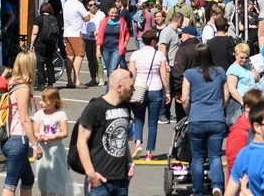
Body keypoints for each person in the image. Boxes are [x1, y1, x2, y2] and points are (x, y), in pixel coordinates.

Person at [76, 69, 136, 196]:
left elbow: (124, 139)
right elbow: (81, 142)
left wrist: (130, 163)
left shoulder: (125, 106)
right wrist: (90, 172)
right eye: (131, 86)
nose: (134, 89)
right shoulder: (95, 107)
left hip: (122, 180)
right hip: (100, 181)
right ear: (119, 87)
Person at [182, 45, 229, 194]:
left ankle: (197, 191)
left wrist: (189, 114)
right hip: (217, 118)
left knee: (198, 158)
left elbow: (185, 99)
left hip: (197, 118)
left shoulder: (189, 74)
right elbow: (226, 95)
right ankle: (217, 186)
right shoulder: (220, 72)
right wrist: (220, 108)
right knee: (215, 156)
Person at [3, 51, 43, 196]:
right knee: (11, 183)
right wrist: (36, 145)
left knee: (28, 179)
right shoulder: (23, 89)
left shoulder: (11, 83)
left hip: (8, 139)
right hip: (18, 140)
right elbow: (25, 120)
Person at [128, 29, 170, 160]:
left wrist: (131, 89)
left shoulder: (135, 55)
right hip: (155, 89)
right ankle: (149, 152)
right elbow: (164, 76)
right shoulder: (160, 56)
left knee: (139, 119)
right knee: (153, 122)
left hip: (139, 89)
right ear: (153, 41)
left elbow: (132, 74)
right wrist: (168, 92)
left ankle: (138, 143)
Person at [34, 87, 71, 196]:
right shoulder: (39, 115)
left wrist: (50, 138)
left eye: (44, 101)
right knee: (43, 179)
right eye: (40, 100)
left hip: (56, 150)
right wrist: (39, 135)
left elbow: (64, 133)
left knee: (55, 178)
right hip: (43, 150)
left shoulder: (60, 115)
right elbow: (35, 131)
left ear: (54, 101)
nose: (41, 103)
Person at [225, 87, 264, 172]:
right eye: (259, 108)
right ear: (247, 107)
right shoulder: (239, 132)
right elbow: (234, 164)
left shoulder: (256, 128)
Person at [171, 25, 202, 122]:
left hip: (185, 90)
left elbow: (178, 73)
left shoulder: (182, 50)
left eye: (182, 35)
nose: (180, 37)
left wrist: (178, 92)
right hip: (201, 89)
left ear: (188, 35)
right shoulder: (202, 49)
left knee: (183, 121)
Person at [63, 0, 91, 89]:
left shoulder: (66, 3)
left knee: (70, 56)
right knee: (79, 55)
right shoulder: (77, 4)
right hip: (76, 32)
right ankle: (77, 81)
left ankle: (70, 81)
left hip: (67, 32)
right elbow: (87, 17)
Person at [30, 2, 62, 89]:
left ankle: (41, 82)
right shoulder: (54, 19)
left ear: (41, 9)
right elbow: (57, 33)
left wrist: (32, 44)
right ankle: (51, 83)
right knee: (49, 62)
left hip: (41, 43)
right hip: (51, 44)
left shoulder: (38, 19)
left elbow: (35, 32)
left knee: (40, 63)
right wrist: (56, 45)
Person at [226, 43, 260, 122]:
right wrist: (242, 102)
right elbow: (232, 89)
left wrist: (252, 67)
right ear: (236, 55)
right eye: (242, 57)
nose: (244, 60)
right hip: (239, 103)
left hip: (251, 101)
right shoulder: (233, 69)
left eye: (246, 57)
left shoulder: (247, 66)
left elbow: (257, 79)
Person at [96, 5, 130, 82]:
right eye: (112, 13)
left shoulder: (122, 22)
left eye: (115, 13)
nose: (114, 14)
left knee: (112, 69)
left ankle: (110, 90)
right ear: (108, 12)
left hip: (117, 48)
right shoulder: (104, 21)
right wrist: (98, 49)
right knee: (108, 69)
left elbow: (127, 34)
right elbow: (100, 36)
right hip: (106, 49)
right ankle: (113, 86)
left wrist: (125, 43)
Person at [84, 0, 101, 87]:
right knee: (90, 60)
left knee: (97, 59)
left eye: (94, 4)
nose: (93, 6)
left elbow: (103, 26)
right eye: (91, 5)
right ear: (88, 6)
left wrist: (95, 32)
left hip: (97, 39)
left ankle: (101, 78)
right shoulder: (86, 15)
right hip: (87, 39)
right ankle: (93, 78)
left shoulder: (100, 14)